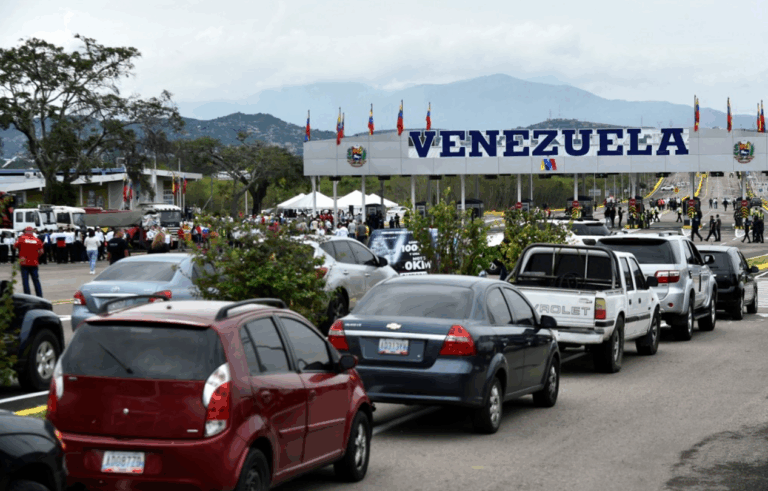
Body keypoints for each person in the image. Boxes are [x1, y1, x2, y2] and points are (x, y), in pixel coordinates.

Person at [14, 227, 44, 297]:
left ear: (25, 231)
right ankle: (39, 296)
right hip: (34, 263)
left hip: (24, 263)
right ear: (32, 232)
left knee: (25, 281)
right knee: (36, 280)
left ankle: (28, 296)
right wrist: (36, 256)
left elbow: (14, 246)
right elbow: (41, 251)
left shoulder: (21, 239)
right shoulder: (37, 240)